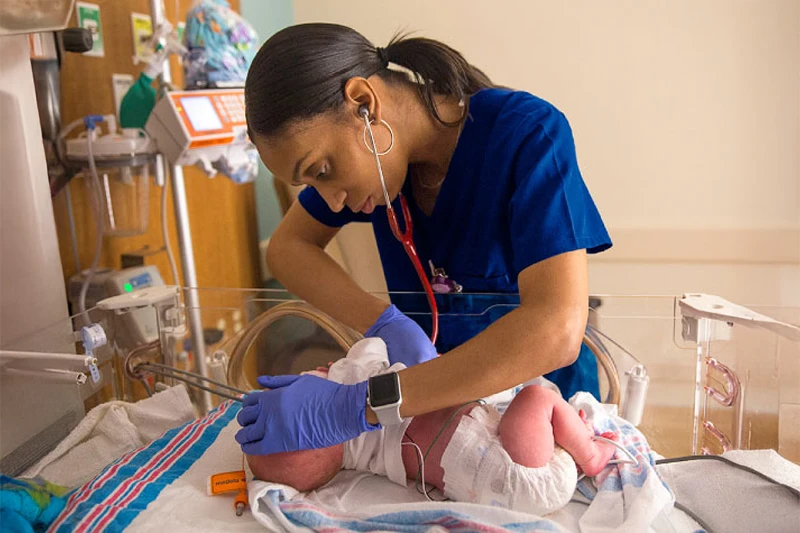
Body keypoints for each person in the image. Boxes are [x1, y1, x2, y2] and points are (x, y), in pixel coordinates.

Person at [236, 22, 612, 456]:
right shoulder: (383, 171)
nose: (331, 202)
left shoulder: (526, 133)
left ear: (362, 103)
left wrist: (361, 403)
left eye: (321, 172)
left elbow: (557, 329)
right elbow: (288, 249)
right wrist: (382, 321)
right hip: (435, 417)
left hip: (546, 418)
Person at [246, 339, 619, 516]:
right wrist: (340, 368)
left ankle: (564, 441)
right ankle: (589, 453)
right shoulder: (346, 389)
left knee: (529, 416)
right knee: (537, 397)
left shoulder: (365, 459)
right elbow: (372, 345)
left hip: (496, 493)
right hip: (521, 471)